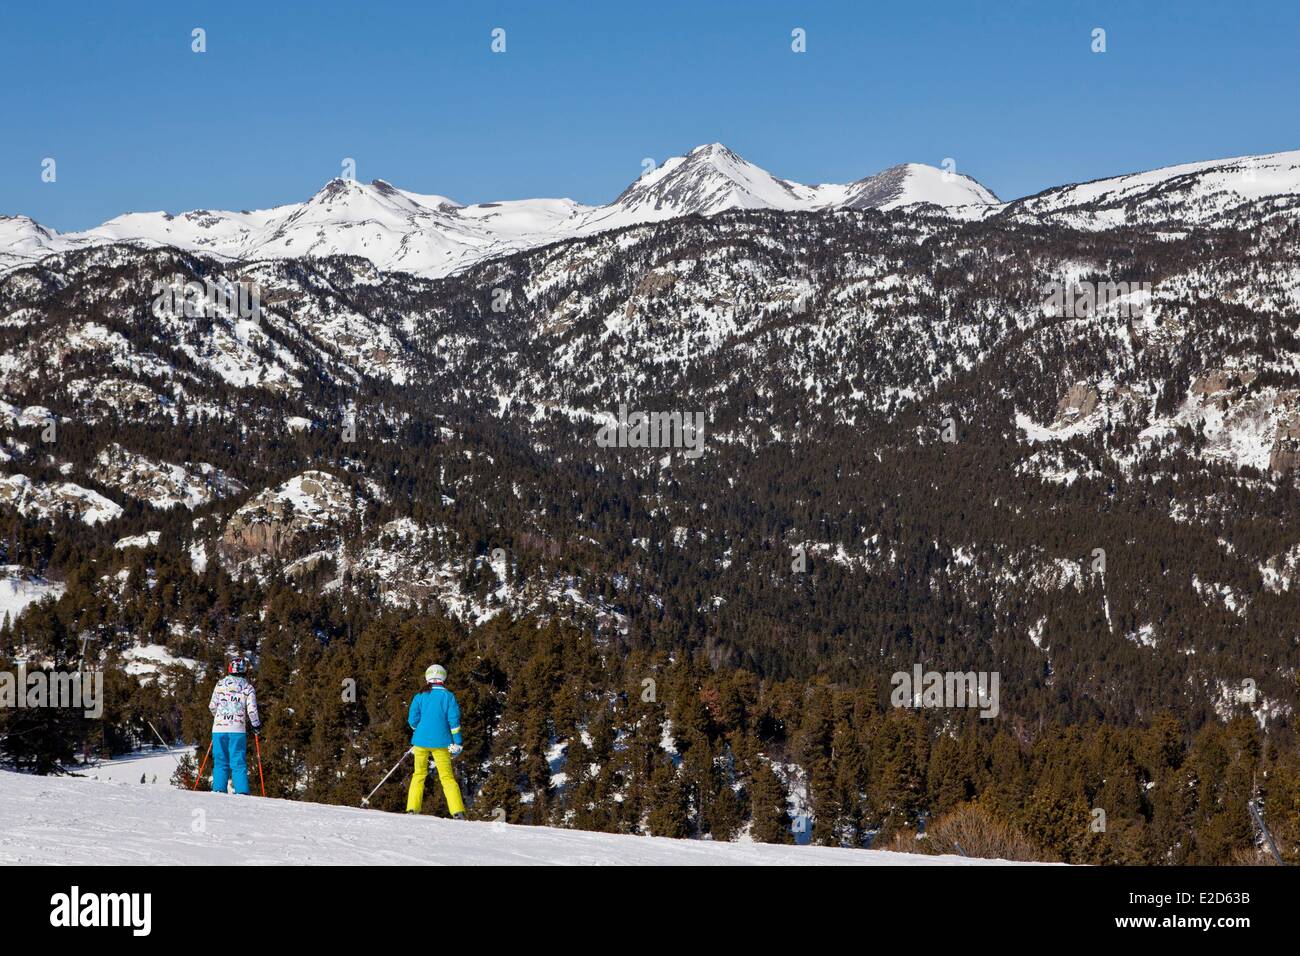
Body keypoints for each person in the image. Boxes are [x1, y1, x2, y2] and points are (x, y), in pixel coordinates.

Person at [406, 664, 465, 818]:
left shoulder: (419, 695)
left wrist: (419, 729)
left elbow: (412, 720)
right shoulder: (448, 696)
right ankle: (457, 811)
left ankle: (412, 808)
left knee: (418, 775)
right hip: (442, 743)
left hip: (419, 742)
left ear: (427, 677)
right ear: (443, 677)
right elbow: (454, 722)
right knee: (447, 777)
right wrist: (457, 742)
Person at [208, 656, 261, 794]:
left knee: (220, 761)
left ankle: (218, 790)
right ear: (244, 670)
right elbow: (252, 710)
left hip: (219, 728)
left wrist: (219, 717)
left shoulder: (220, 684)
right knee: (238, 761)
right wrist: (256, 725)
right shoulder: (248, 687)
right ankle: (242, 792)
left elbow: (212, 706)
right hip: (237, 729)